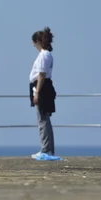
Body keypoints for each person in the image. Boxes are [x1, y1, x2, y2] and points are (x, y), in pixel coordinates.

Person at [29, 26, 56, 158]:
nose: (33, 45)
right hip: (44, 86)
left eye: (34, 42)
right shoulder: (46, 55)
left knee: (42, 120)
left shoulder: (43, 55)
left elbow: (41, 75)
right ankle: (47, 148)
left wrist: (37, 93)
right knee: (45, 119)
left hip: (42, 87)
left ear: (37, 42)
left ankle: (46, 149)